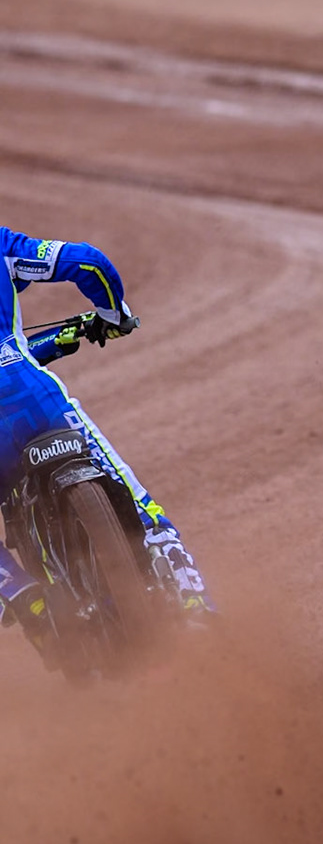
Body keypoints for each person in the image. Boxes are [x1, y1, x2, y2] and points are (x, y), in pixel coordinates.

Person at [0, 227, 211, 659]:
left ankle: (26, 599)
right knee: (142, 509)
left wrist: (56, 342)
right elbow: (89, 261)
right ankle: (195, 610)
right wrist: (112, 315)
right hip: (39, 405)